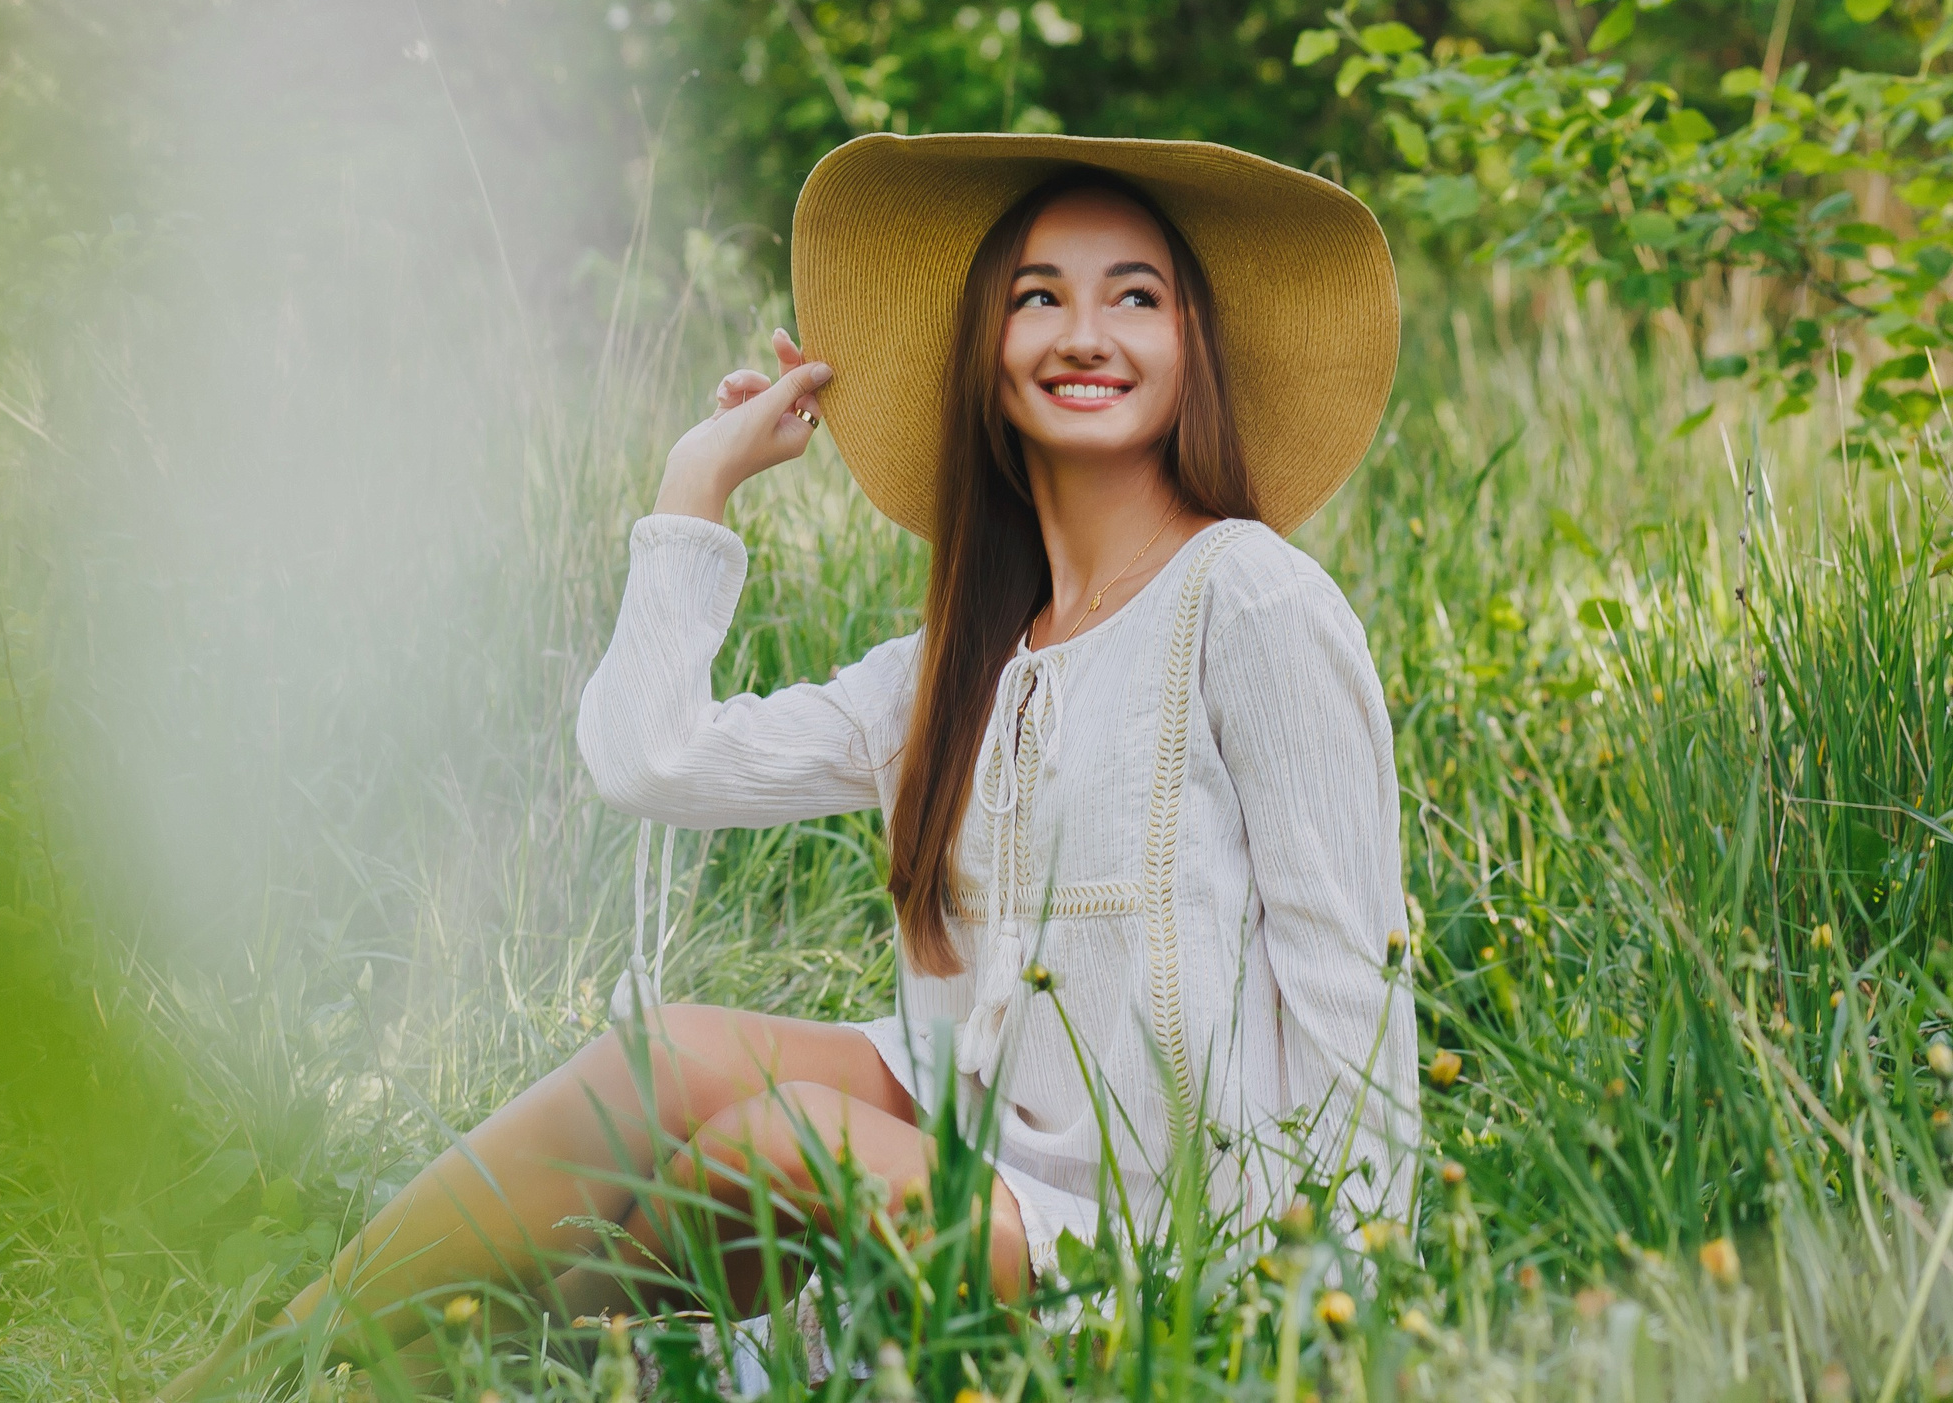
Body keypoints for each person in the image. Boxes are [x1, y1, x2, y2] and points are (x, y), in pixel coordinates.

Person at [272, 132, 1419, 1367]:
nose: (1085, 333)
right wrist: (691, 492)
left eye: (1134, 297)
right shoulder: (953, 663)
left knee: (786, 1136)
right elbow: (649, 763)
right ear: (983, 354)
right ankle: (293, 1365)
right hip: (972, 1145)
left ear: (1192, 347)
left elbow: (1351, 985)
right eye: (1038, 298)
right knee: (674, 1067)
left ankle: (536, 1356)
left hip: (1165, 1245)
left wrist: (1326, 1311)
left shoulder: (1249, 600)